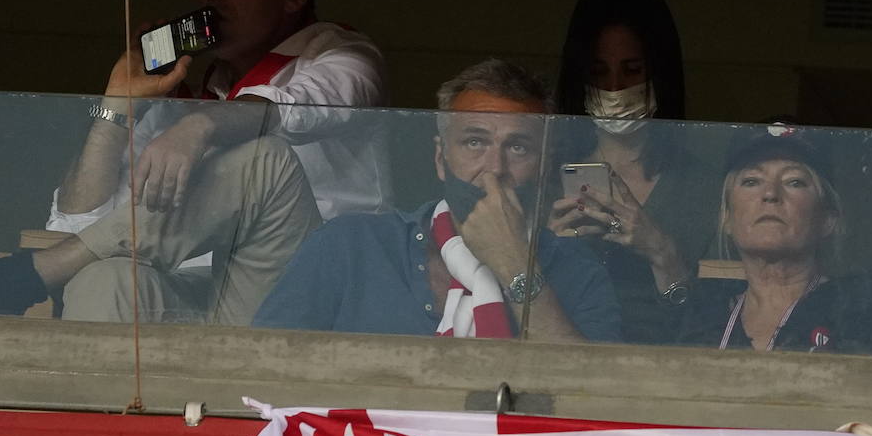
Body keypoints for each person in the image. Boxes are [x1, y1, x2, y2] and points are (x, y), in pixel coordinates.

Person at [0, 0, 389, 322]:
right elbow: (71, 227)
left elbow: (292, 109)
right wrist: (117, 105)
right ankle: (91, 365)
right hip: (193, 292)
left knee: (264, 160)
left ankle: (36, 273)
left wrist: (200, 126)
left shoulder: (343, 56)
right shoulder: (183, 91)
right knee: (104, 278)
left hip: (301, 294)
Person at [253, 59, 621, 342]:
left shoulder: (580, 272)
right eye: (475, 142)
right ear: (440, 159)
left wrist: (514, 264)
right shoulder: (349, 245)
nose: (494, 169)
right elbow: (259, 371)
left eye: (519, 147)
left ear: (543, 168)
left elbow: (593, 403)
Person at [549, 0, 716, 344]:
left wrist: (661, 250)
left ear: (659, 71)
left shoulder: (704, 188)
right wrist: (548, 250)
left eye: (632, 70)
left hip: (660, 374)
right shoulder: (543, 180)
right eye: (597, 71)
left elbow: (713, 328)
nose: (613, 89)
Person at [675, 124, 872, 356]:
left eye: (794, 182)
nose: (770, 194)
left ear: (827, 219)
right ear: (726, 219)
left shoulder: (864, 317)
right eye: (751, 181)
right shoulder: (698, 320)